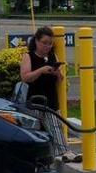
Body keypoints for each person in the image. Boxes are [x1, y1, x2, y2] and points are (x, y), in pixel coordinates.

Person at [18, 27, 77, 161]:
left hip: (50, 100)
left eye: (50, 43)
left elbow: (60, 79)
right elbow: (25, 77)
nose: (47, 46)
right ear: (37, 41)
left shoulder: (52, 56)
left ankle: (64, 153)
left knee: (56, 127)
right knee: (33, 131)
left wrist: (57, 73)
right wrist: (41, 71)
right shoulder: (29, 56)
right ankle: (31, 157)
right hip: (34, 101)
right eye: (44, 43)